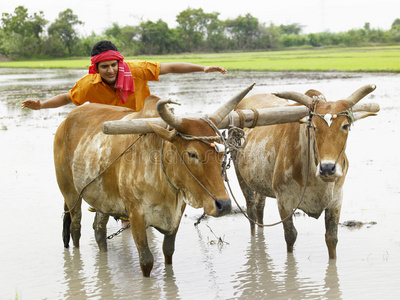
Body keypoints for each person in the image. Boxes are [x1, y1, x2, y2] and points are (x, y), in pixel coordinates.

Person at [22, 40, 227, 228]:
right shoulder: (88, 84)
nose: (111, 70)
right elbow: (67, 98)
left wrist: (203, 68)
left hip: (146, 129)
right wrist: (42, 106)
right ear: (96, 68)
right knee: (123, 191)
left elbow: (170, 67)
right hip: (113, 136)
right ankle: (120, 209)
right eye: (105, 67)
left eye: (114, 65)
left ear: (120, 62)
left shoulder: (136, 70)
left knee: (167, 167)